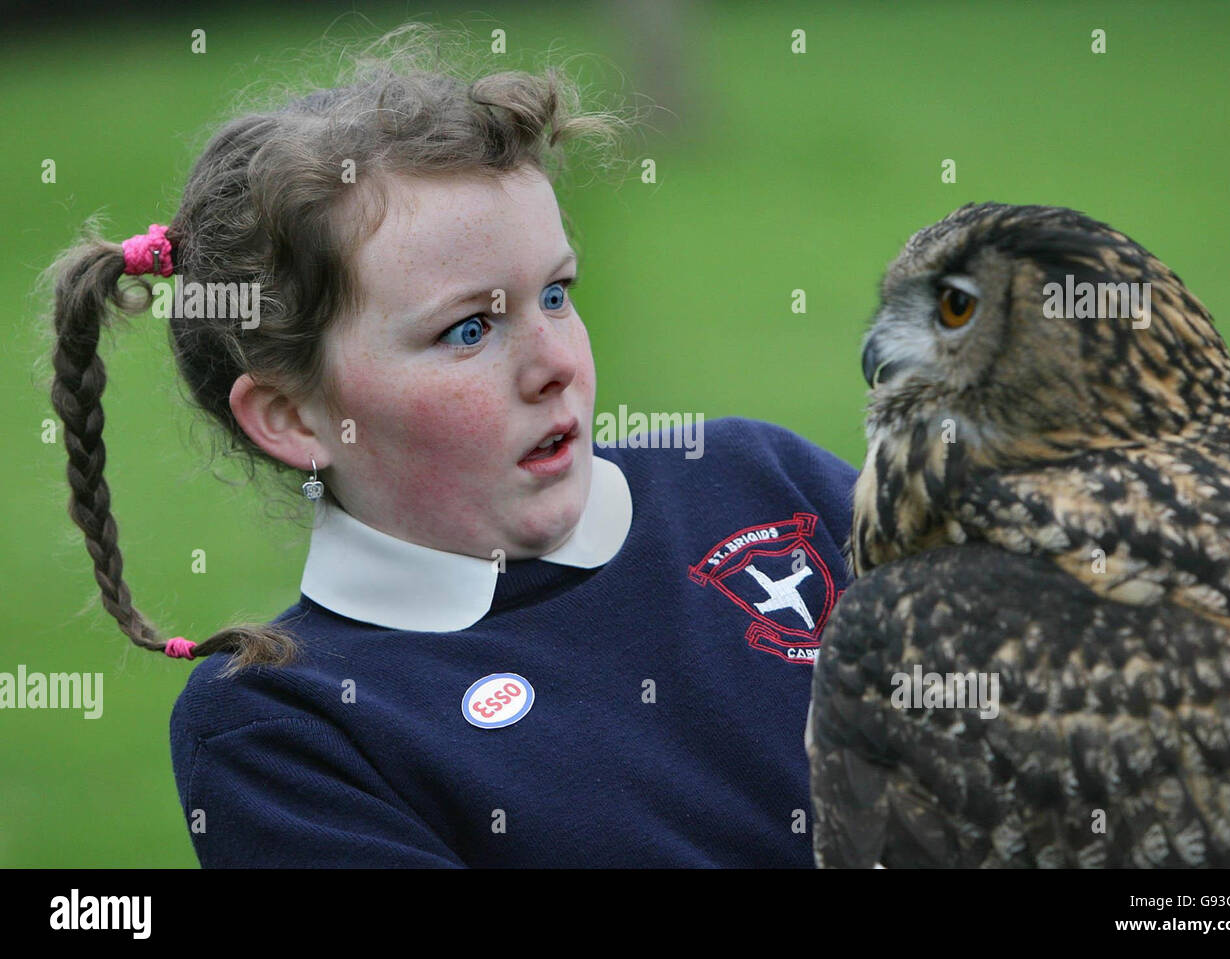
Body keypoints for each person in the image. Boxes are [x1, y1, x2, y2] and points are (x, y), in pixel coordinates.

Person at [46, 24, 858, 867]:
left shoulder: (755, 480)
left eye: (555, 292)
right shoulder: (290, 726)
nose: (554, 363)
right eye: (468, 329)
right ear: (293, 417)